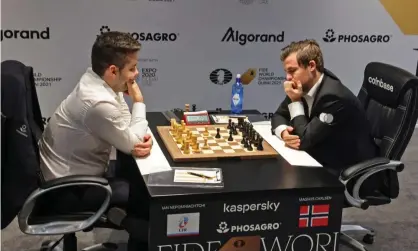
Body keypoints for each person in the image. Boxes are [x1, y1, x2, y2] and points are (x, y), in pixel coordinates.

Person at [38, 31, 151, 249]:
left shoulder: (96, 81)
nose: (136, 74)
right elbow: (132, 144)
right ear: (112, 71)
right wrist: (139, 101)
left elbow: (128, 128)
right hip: (67, 190)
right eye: (132, 68)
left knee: (134, 174)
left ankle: (124, 221)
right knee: (144, 196)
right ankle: (133, 230)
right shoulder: (97, 101)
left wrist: (134, 136)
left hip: (66, 175)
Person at [271, 39, 379, 171]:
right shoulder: (304, 85)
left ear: (311, 66)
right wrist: (283, 133)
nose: (288, 78)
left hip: (343, 169)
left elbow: (303, 140)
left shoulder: (334, 97)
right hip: (317, 155)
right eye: (286, 72)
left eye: (292, 71)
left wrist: (296, 101)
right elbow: (279, 115)